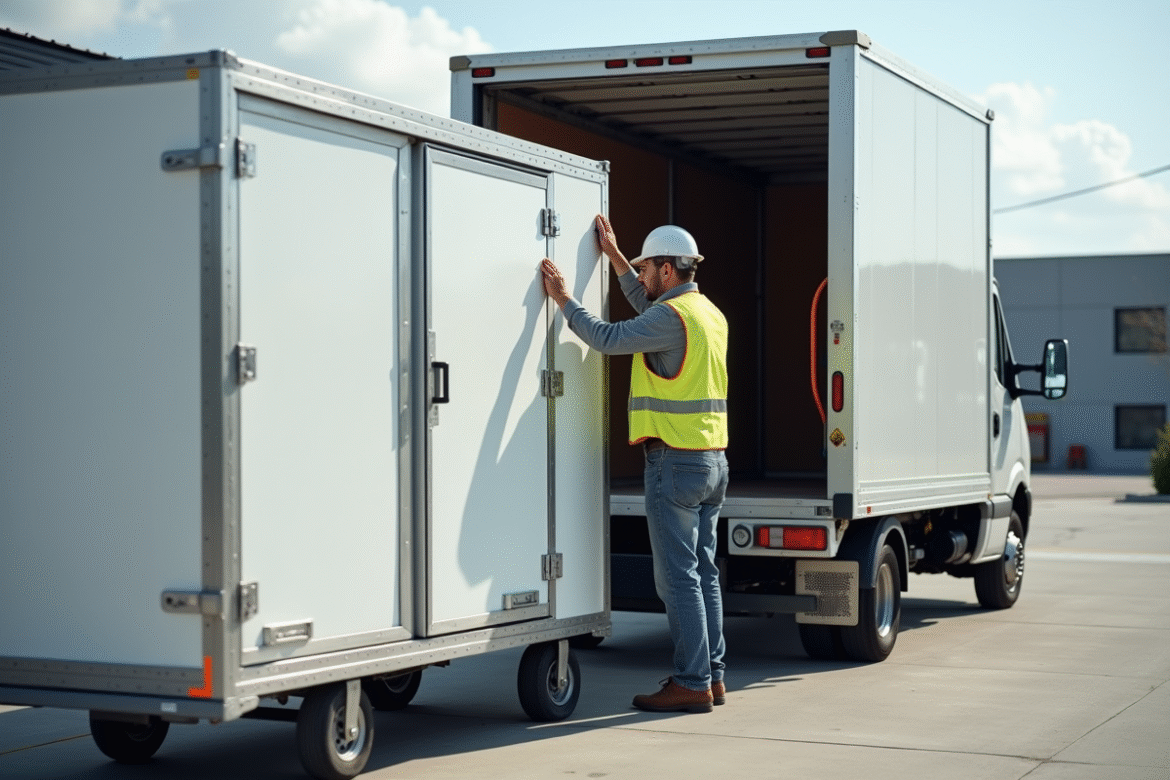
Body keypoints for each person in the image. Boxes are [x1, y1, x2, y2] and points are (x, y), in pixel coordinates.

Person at [540, 214, 730, 714]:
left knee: (679, 577)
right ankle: (712, 676)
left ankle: (691, 683)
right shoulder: (707, 313)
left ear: (668, 270)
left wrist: (564, 300)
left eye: (648, 268)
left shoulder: (670, 320)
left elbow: (606, 337)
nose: (642, 275)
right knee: (704, 573)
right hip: (712, 462)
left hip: (674, 462)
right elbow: (650, 307)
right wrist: (619, 258)